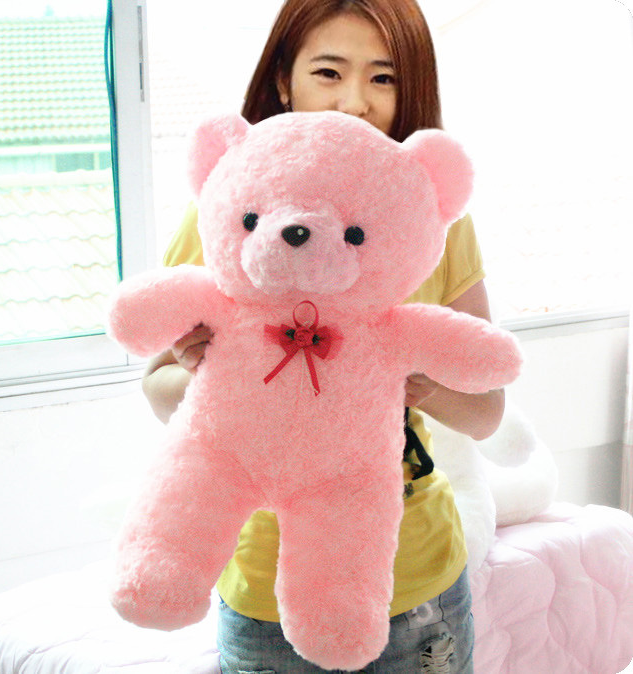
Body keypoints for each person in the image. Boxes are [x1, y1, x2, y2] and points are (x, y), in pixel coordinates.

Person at [143, 1, 504, 671]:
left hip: (415, 578)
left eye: (383, 77)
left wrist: (415, 381)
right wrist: (200, 372)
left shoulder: (429, 221)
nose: (354, 101)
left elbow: (487, 412)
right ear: (284, 80)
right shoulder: (235, 205)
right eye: (329, 72)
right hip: (260, 583)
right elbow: (157, 387)